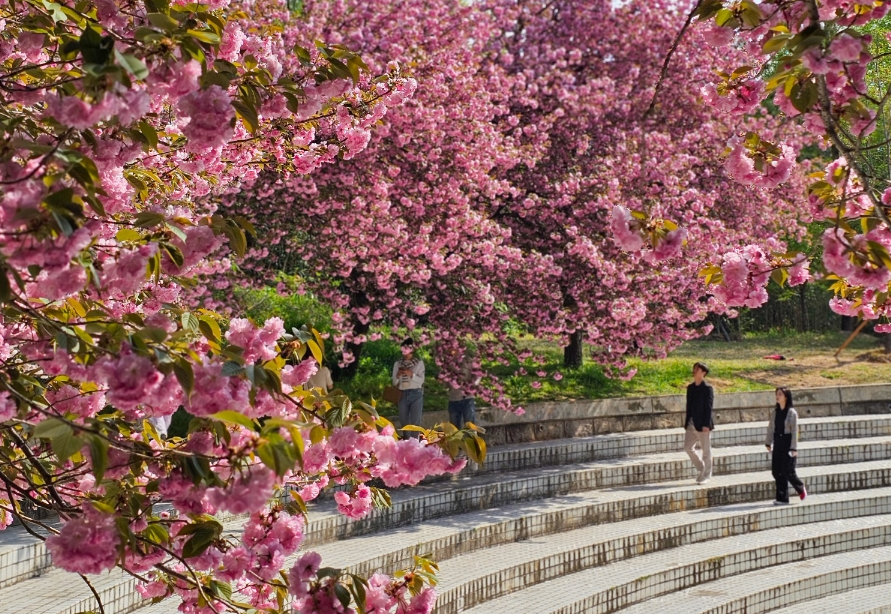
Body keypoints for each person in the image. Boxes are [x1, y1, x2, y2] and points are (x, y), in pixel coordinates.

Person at [765, 387, 807, 505]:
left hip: (788, 443)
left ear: (786, 397)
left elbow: (794, 431)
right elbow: (771, 428)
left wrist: (794, 448)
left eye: (780, 394)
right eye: (776, 394)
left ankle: (800, 487)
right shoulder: (775, 412)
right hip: (778, 441)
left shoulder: (791, 413)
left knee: (788, 470)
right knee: (776, 471)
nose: (777, 396)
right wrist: (768, 442)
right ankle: (782, 498)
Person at [685, 362, 714, 484]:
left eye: (697, 369)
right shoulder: (690, 388)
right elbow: (689, 406)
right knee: (687, 448)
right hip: (691, 423)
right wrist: (687, 422)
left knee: (706, 451)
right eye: (694, 368)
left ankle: (707, 475)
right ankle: (702, 468)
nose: (694, 370)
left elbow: (708, 407)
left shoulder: (707, 389)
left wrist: (706, 424)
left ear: (703, 373)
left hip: (703, 424)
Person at [392, 338, 424, 438]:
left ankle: (415, 444)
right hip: (402, 393)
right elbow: (394, 382)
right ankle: (406, 444)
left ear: (412, 350)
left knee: (415, 422)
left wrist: (411, 375)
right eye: (403, 349)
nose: (404, 353)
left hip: (416, 393)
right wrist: (398, 376)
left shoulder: (419, 363)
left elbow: (421, 381)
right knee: (404, 421)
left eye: (407, 349)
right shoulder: (398, 364)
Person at [447, 354, 479, 429]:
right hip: (453, 398)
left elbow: (478, 375)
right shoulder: (448, 362)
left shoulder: (468, 360)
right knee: (454, 429)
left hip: (467, 398)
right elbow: (446, 379)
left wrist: (472, 385)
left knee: (470, 427)